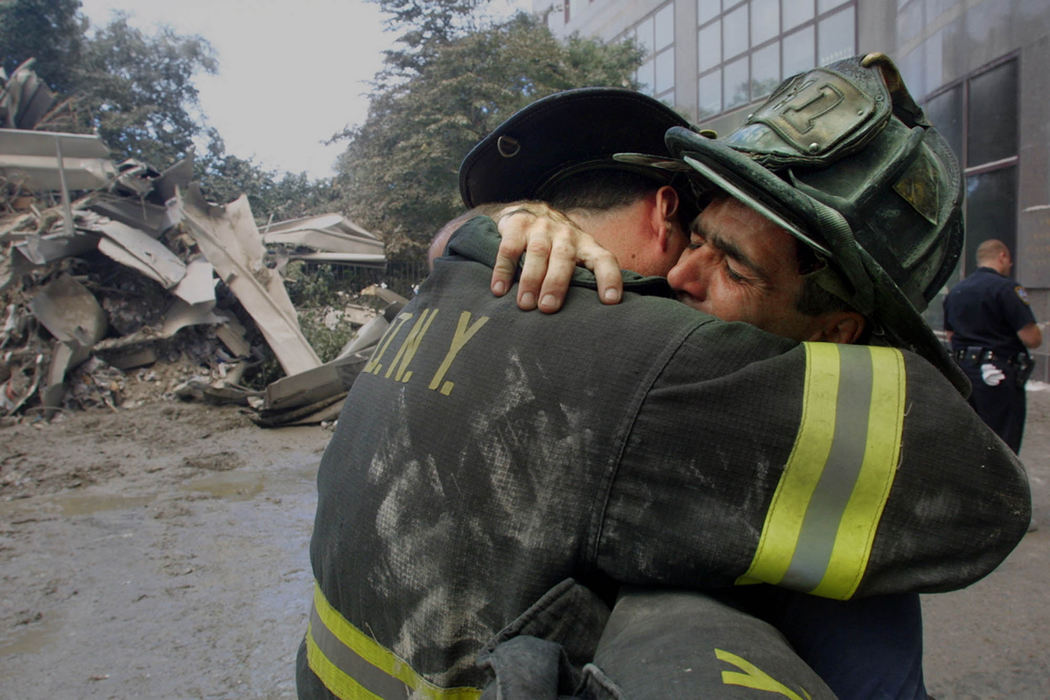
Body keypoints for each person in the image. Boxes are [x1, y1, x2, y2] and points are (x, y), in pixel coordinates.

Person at [296, 75, 1030, 699]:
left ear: (841, 332)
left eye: (733, 269)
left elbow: (984, 493)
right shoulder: (641, 350)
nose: (679, 275)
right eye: (698, 238)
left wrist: (498, 225)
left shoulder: (450, 295)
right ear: (667, 209)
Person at [943, 239, 1043, 453]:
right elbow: (1031, 339)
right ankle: (999, 487)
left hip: (963, 374)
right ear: (1002, 256)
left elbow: (951, 335)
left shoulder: (956, 291)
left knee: (969, 441)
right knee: (1001, 446)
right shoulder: (1007, 289)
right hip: (998, 377)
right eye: (1009, 261)